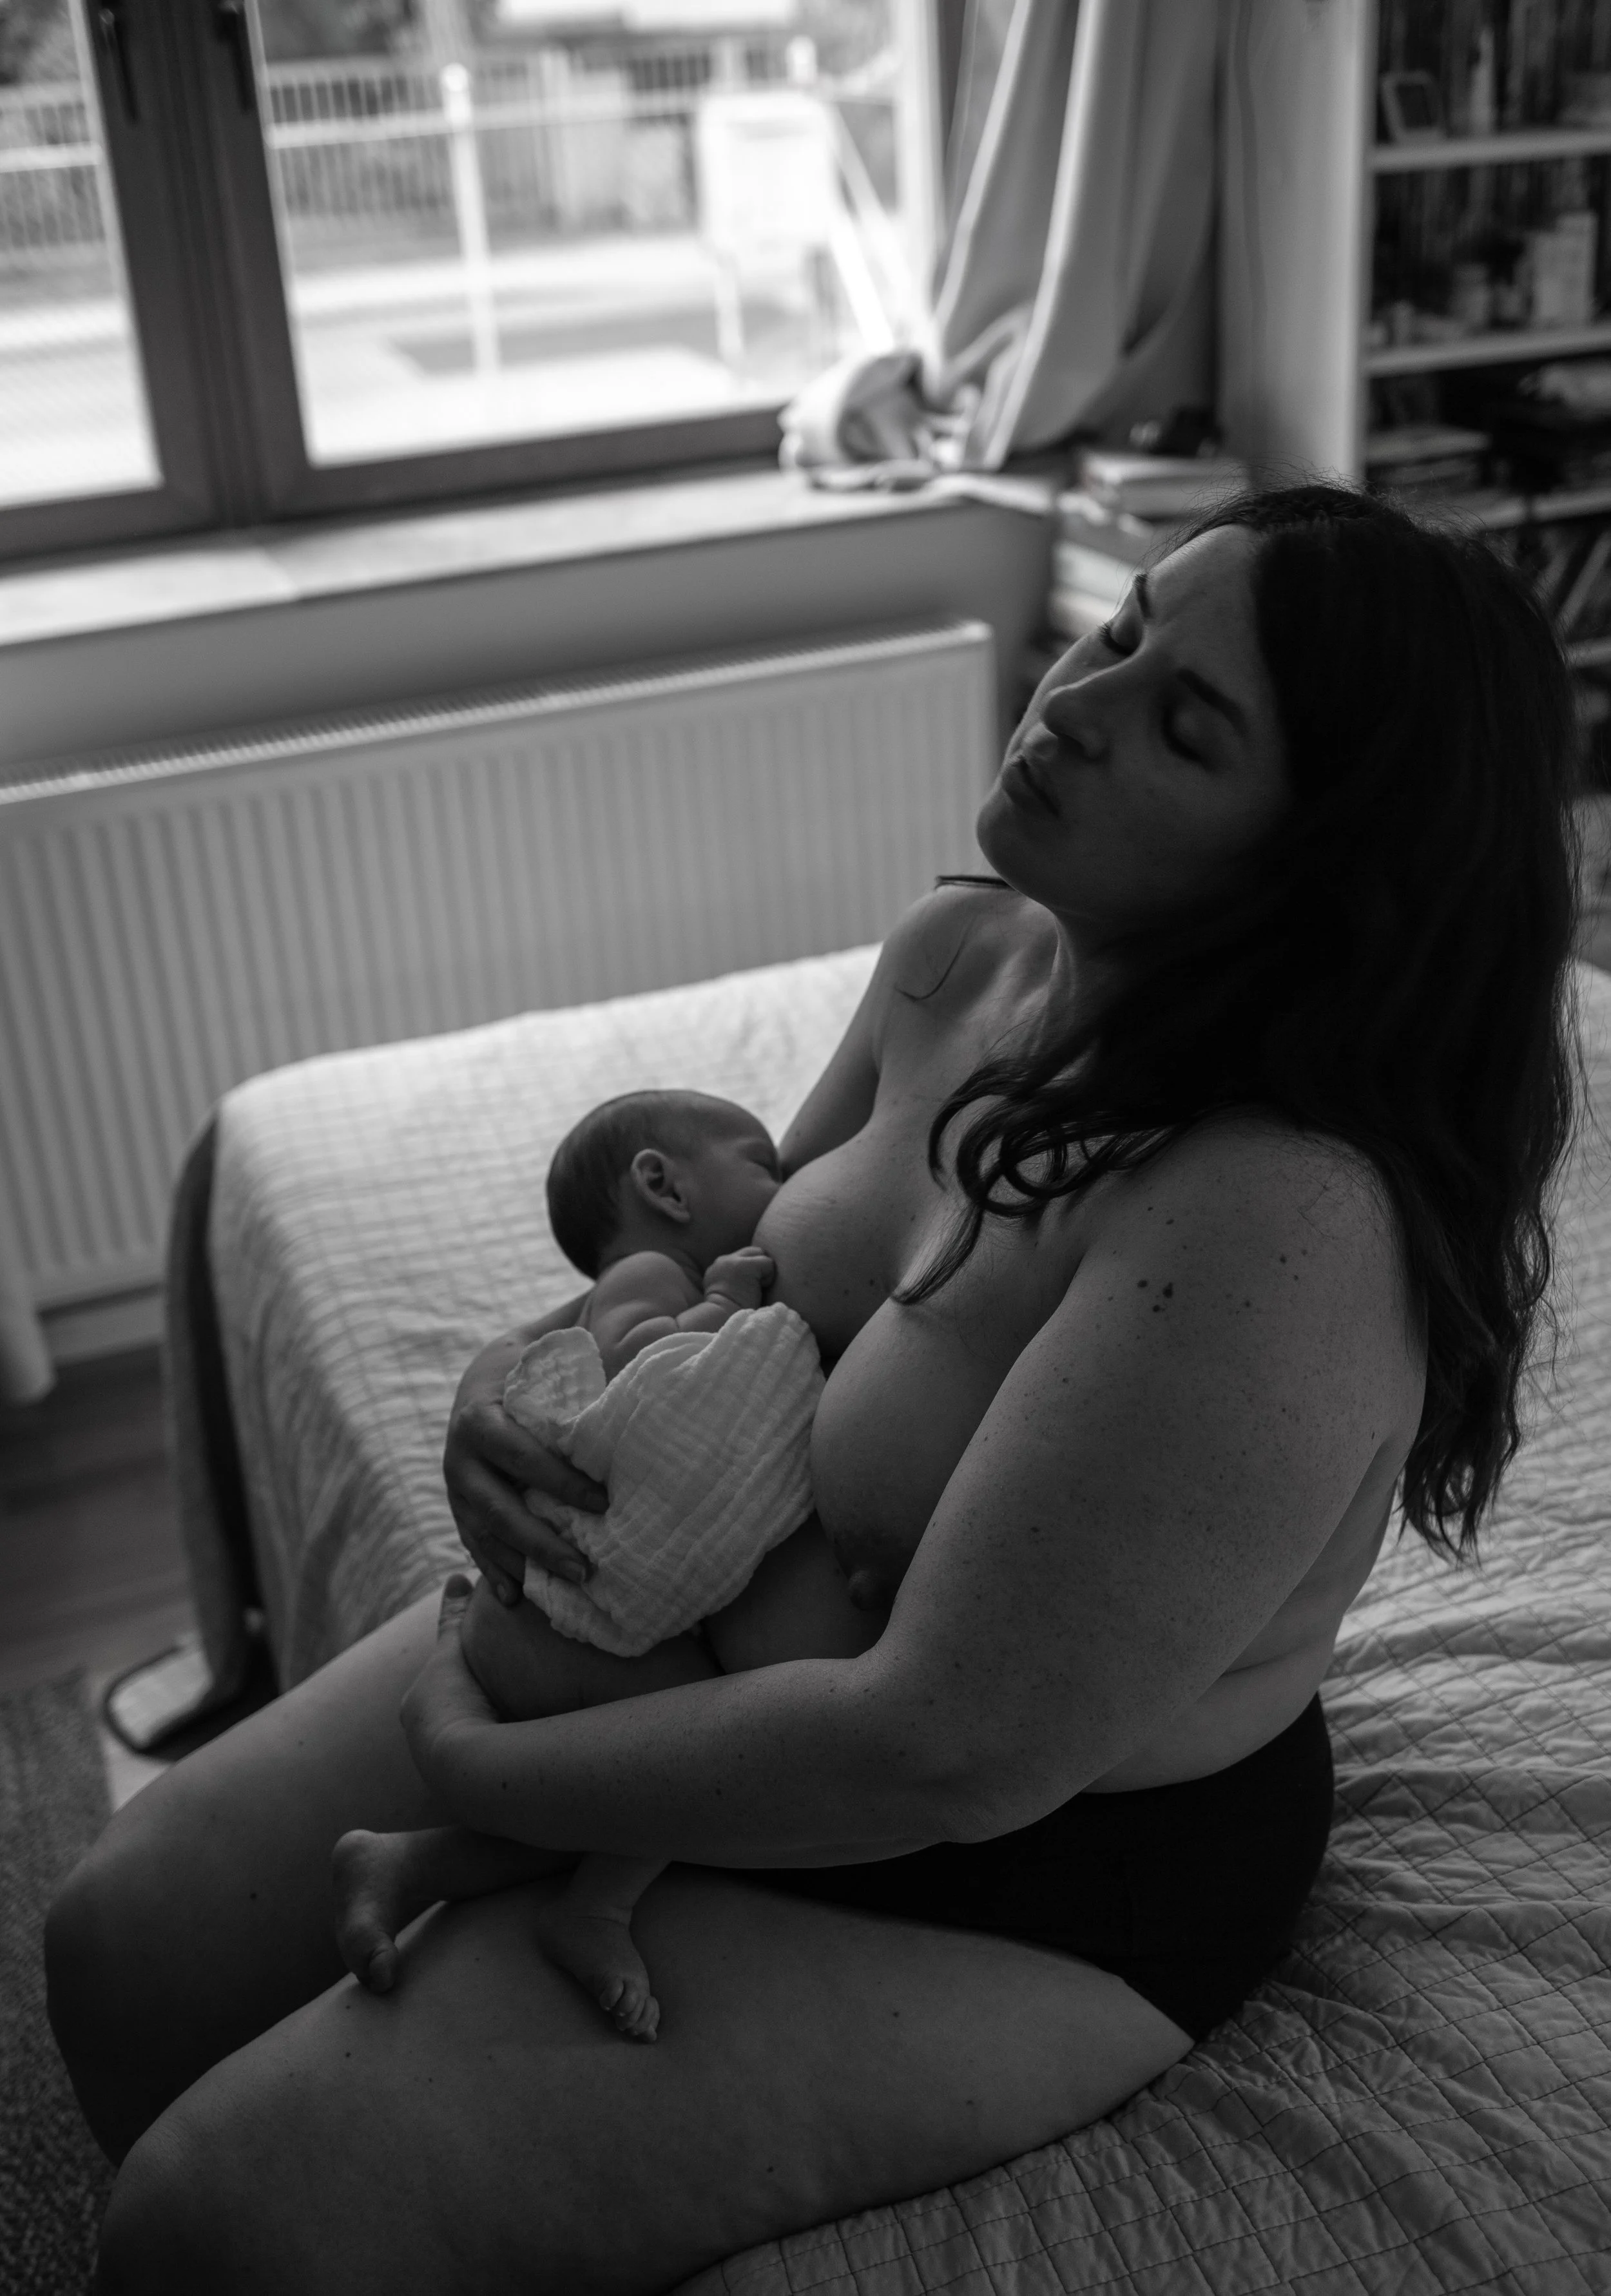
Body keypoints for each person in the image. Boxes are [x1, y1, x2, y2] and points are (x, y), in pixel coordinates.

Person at [47, 484, 1586, 2296]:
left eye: (1185, 724)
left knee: (226, 2225)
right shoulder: (967, 951)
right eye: (1120, 634)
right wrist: (513, 1382)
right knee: (116, 1947)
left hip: (1024, 1854)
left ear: (1318, 868)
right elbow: (751, 1272)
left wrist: (496, 1774)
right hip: (729, 1638)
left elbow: (937, 1745)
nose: (1073, 704)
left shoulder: (1278, 1220)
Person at [334, 1086, 820, 2041]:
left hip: (550, 1619)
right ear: (662, 1184)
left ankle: (410, 1865)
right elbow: (636, 1370)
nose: (787, 1181)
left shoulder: (664, 1262)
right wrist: (724, 1301)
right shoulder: (649, 1271)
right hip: (566, 1619)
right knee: (693, 1759)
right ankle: (593, 1909)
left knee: (646, 1784)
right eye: (764, 1162)